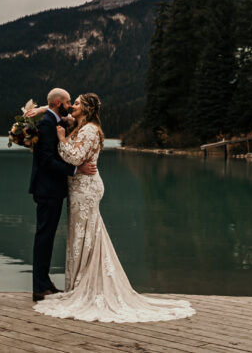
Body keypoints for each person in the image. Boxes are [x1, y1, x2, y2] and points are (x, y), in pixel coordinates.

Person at [32, 93, 194, 323]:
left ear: (87, 109)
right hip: (79, 189)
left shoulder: (89, 130)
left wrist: (62, 140)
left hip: (86, 189)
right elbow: (54, 112)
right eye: (71, 102)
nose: (72, 106)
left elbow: (76, 158)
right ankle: (78, 283)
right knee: (83, 236)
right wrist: (40, 113)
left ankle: (84, 285)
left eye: (76, 103)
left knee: (85, 236)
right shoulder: (80, 126)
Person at [29, 88, 97, 302]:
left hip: (51, 189)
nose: (70, 106)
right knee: (44, 237)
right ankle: (40, 287)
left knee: (47, 237)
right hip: (48, 190)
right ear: (59, 102)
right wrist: (76, 170)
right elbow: (47, 161)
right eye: (68, 102)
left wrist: (41, 108)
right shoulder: (48, 124)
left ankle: (44, 283)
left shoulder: (53, 119)